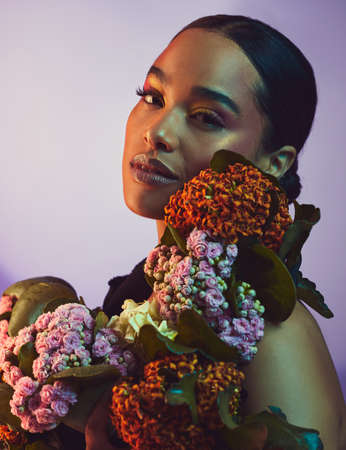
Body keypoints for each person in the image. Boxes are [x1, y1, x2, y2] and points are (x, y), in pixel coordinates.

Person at [85, 14, 346, 450]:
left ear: (275, 162)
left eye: (206, 117)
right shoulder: (144, 290)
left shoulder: (267, 332)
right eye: (152, 96)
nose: (158, 132)